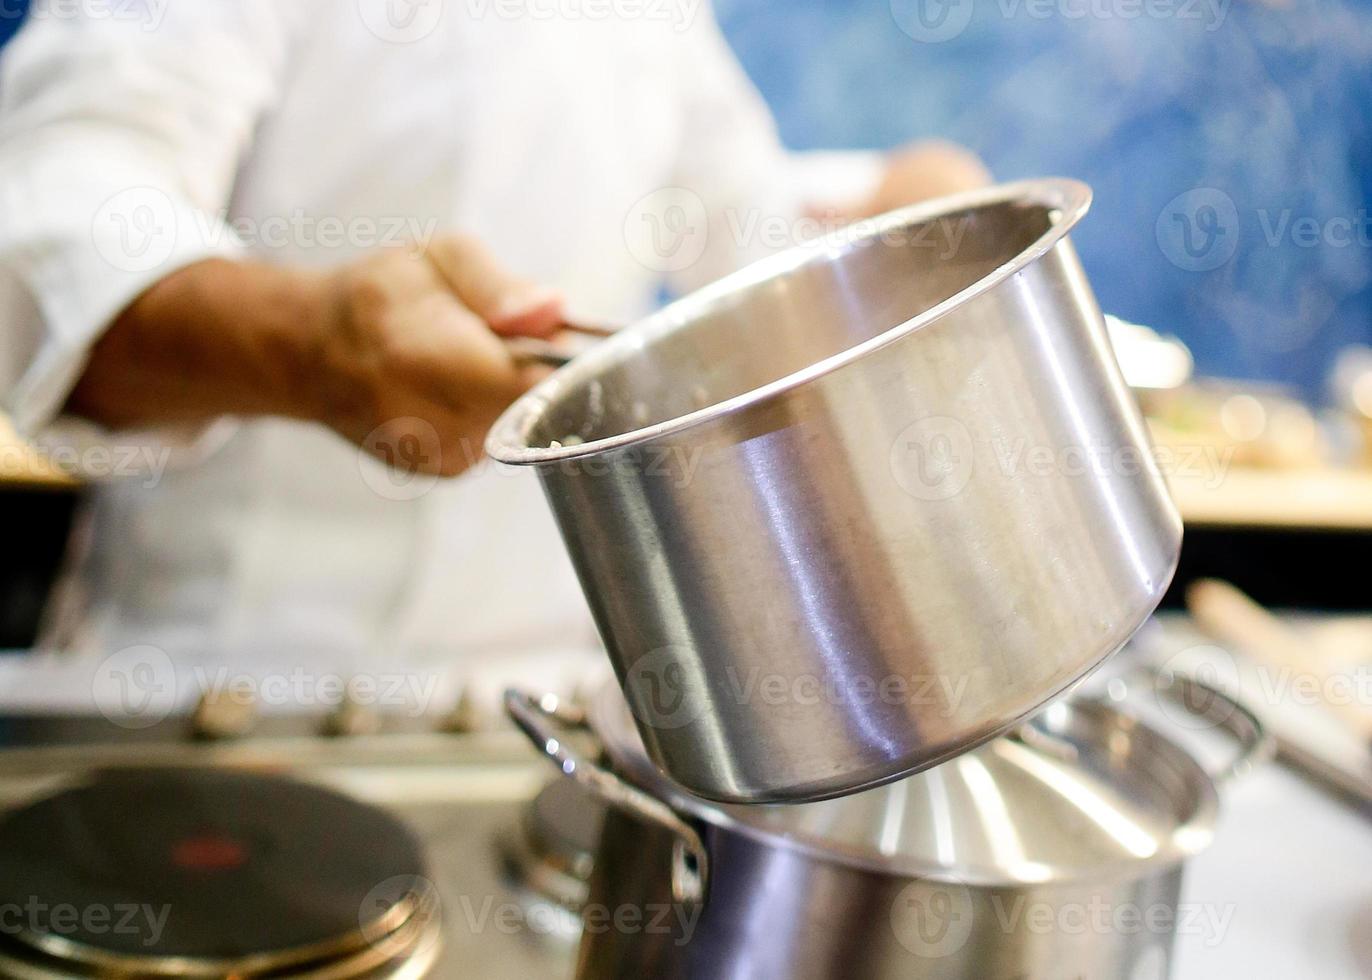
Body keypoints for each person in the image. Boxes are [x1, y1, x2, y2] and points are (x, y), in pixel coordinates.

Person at [0, 0, 987, 700]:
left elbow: (731, 211)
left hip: (548, 708)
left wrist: (883, 215)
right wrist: (307, 349)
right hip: (221, 685)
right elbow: (62, 204)